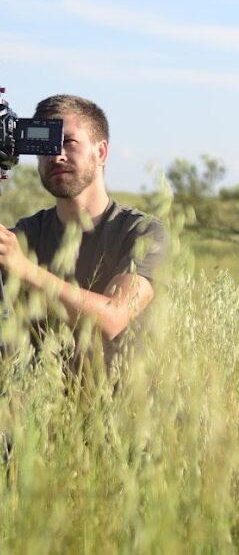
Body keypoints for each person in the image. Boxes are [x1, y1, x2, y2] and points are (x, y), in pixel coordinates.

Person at [0, 94, 167, 373]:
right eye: (44, 144)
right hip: (43, 412)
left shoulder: (142, 232)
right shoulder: (27, 234)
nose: (56, 155)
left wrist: (25, 269)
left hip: (120, 412)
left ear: (101, 152)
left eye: (68, 141)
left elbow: (113, 318)